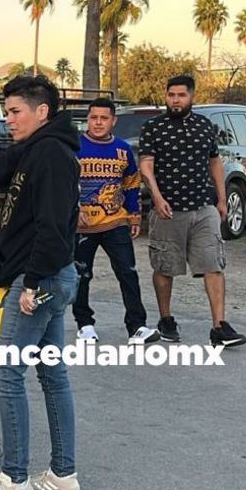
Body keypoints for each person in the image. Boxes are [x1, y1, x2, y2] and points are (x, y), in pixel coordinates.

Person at [0, 75, 83, 490]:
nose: (8, 120)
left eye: (16, 112)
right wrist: (27, 138)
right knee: (51, 374)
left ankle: (15, 481)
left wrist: (32, 283)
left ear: (43, 110)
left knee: (6, 372)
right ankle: (62, 475)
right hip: (44, 277)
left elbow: (53, 228)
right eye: (5, 112)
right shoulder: (41, 147)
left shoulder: (54, 155)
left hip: (40, 279)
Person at [139, 75, 246, 347]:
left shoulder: (205, 126)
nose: (175, 100)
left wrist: (221, 200)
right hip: (168, 211)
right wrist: (157, 196)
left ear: (191, 96)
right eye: (171, 95)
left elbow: (215, 163)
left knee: (213, 265)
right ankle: (166, 320)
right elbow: (146, 166)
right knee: (165, 267)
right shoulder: (154, 127)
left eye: (181, 95)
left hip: (203, 209)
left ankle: (219, 327)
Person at [73, 97, 160, 345]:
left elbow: (131, 183)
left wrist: (134, 215)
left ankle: (137, 327)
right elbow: (64, 182)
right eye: (93, 117)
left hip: (116, 221)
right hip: (83, 224)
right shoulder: (74, 147)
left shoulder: (122, 150)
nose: (98, 122)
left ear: (113, 121)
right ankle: (85, 325)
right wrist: (72, 209)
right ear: (87, 119)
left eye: (103, 118)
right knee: (81, 275)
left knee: (127, 273)